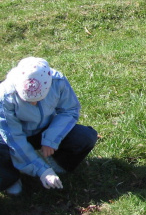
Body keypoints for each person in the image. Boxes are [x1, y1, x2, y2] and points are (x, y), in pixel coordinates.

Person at [0, 58, 98, 196]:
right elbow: (13, 137)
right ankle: (13, 176)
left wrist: (51, 139)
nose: (33, 103)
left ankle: (50, 163)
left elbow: (69, 110)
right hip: (8, 138)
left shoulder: (58, 81)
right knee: (4, 175)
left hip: (44, 129)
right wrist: (41, 170)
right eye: (27, 100)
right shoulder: (4, 95)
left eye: (38, 99)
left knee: (85, 137)